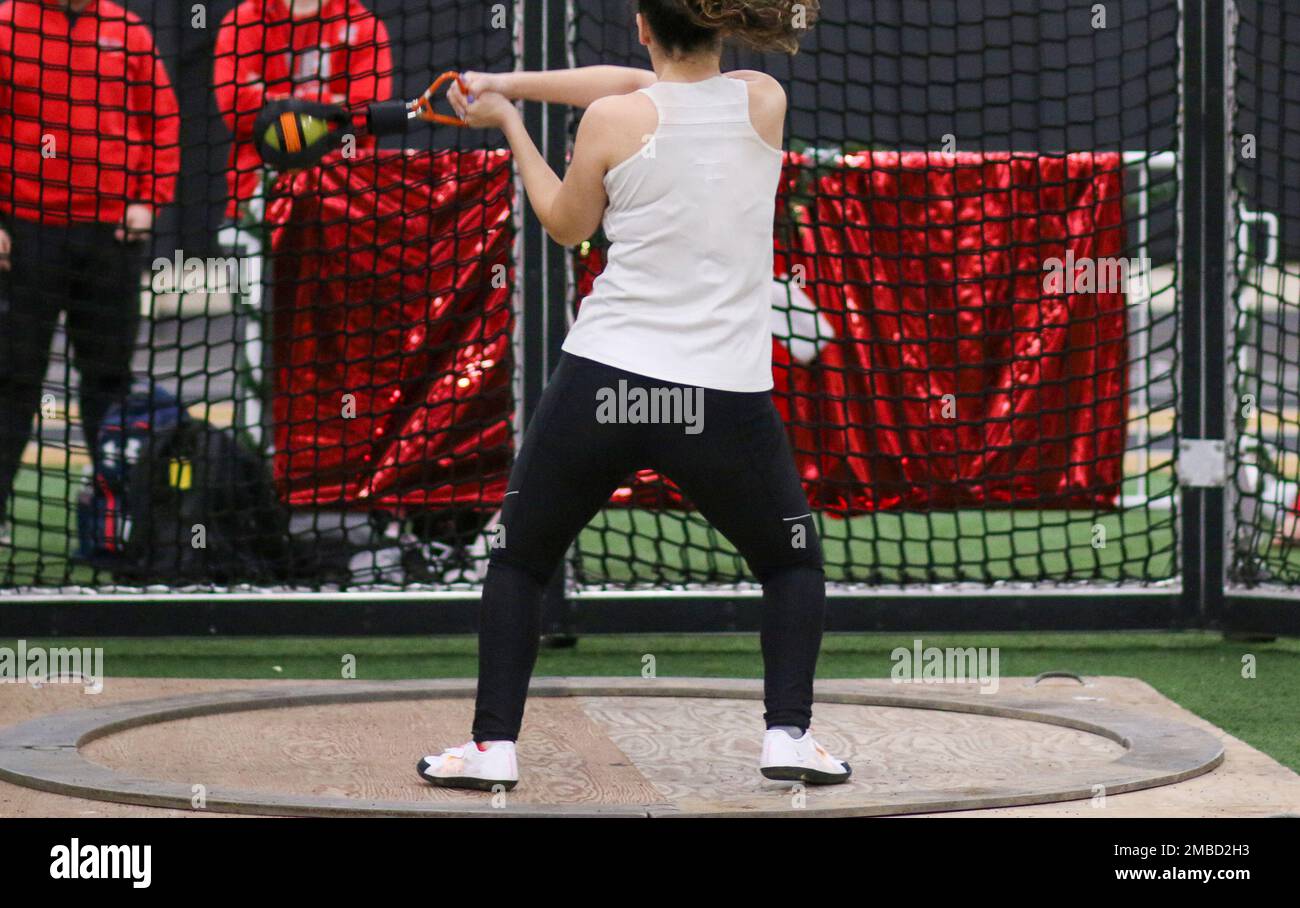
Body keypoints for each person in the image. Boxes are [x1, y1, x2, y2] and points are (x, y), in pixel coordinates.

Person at [417, 0, 849, 791]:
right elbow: (648, 87)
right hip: (721, 402)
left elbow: (564, 222)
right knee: (792, 567)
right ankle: (788, 736)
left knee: (518, 562)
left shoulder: (614, 121)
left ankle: (491, 749)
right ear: (720, 24)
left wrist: (511, 122)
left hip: (607, 385)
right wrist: (505, 86)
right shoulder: (764, 99)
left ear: (645, 28)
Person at [0, 0, 180, 545]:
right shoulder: (6, 24)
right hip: (24, 234)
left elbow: (164, 122)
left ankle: (114, 514)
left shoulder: (127, 30)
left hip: (110, 237)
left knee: (109, 380)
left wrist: (151, 198)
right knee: (11, 380)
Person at [213, 0, 393, 220]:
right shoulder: (245, 21)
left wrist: (274, 106)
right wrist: (332, 105)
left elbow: (366, 115)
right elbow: (236, 108)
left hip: (343, 202)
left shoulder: (363, 25)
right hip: (257, 200)